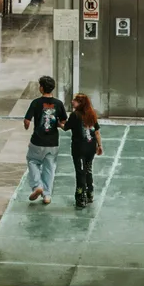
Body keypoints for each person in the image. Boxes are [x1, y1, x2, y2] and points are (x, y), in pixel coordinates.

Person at [23, 73, 67, 204]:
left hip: (37, 141)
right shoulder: (58, 104)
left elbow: (27, 121)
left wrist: (27, 126)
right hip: (53, 143)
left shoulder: (36, 103)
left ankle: (37, 186)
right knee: (49, 168)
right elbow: (64, 122)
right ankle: (47, 195)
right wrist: (57, 124)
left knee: (32, 162)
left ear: (41, 88)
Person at [64, 90, 102, 208]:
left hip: (79, 148)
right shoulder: (92, 114)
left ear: (80, 104)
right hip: (91, 147)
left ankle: (81, 197)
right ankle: (90, 193)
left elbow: (65, 127)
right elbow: (96, 132)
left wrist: (58, 123)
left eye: (75, 101)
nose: (72, 101)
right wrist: (99, 145)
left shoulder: (75, 115)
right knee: (88, 169)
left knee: (80, 172)